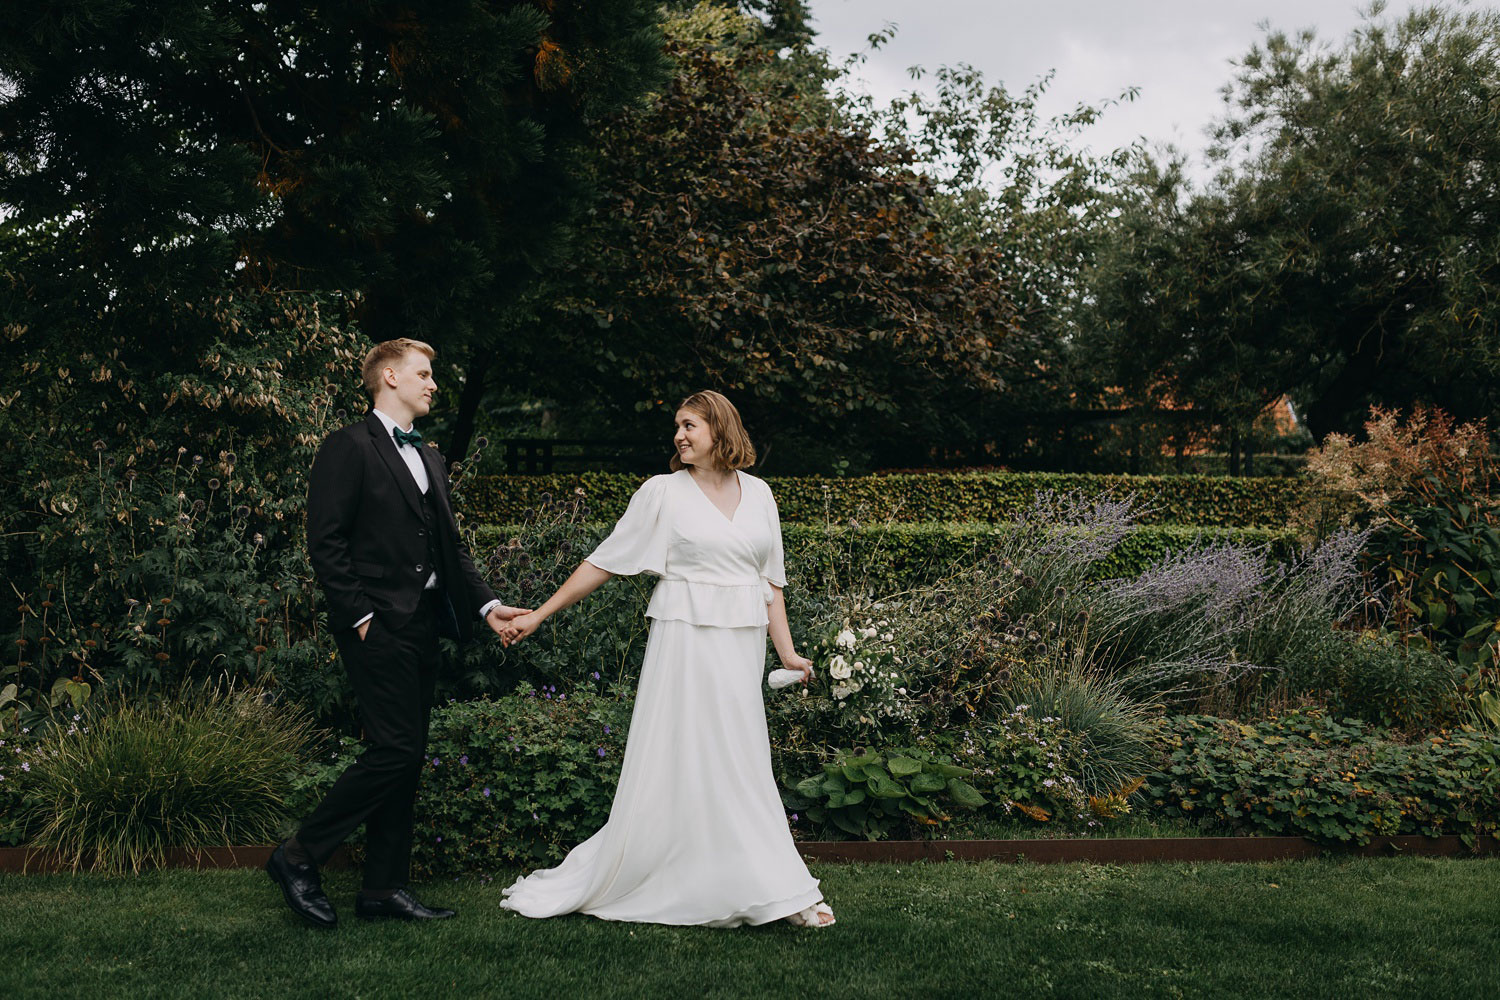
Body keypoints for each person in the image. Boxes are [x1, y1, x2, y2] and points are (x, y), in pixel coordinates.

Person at [497, 390, 835, 928]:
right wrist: (539, 613)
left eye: (689, 425)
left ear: (720, 430)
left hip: (739, 644)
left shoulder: (761, 494)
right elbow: (606, 560)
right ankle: (704, 879)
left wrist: (788, 652)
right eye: (677, 426)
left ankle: (774, 886)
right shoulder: (662, 493)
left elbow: (771, 581)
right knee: (688, 754)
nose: (679, 435)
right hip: (684, 642)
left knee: (742, 761)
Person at [265, 338, 528, 928]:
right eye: (424, 373)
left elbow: (449, 549)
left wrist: (489, 607)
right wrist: (359, 618)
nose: (433, 384)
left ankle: (382, 889)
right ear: (389, 375)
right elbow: (325, 541)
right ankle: (298, 854)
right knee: (395, 748)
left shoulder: (431, 457)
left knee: (406, 758)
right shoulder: (347, 446)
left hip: (425, 624)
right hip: (376, 624)